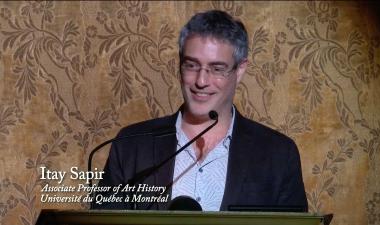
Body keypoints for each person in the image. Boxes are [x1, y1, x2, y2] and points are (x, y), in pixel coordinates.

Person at [93, 9, 308, 212]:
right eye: (192, 65)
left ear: (240, 70)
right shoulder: (131, 145)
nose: (201, 81)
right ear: (180, 65)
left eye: (216, 69)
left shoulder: (278, 154)